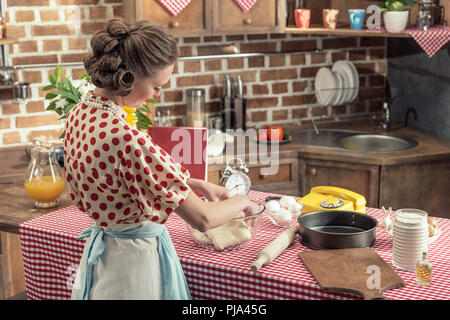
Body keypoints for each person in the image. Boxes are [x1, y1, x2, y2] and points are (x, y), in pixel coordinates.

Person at [64, 17, 260, 300]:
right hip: (134, 266)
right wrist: (243, 201)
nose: (156, 96)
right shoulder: (127, 138)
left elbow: (120, 179)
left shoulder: (81, 113)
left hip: (106, 257)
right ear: (127, 77)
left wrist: (189, 183)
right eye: (156, 86)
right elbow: (203, 219)